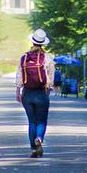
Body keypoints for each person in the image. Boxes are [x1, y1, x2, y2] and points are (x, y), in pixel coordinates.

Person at [16, 29, 54, 158]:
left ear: (32, 41)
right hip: (41, 92)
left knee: (31, 122)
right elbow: (51, 79)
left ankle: (33, 148)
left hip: (27, 93)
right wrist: (48, 90)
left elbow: (19, 76)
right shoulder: (47, 58)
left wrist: (18, 91)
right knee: (41, 121)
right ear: (43, 43)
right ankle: (39, 138)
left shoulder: (24, 58)